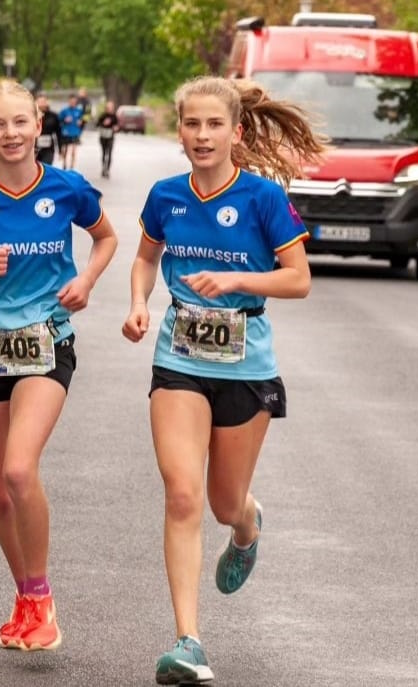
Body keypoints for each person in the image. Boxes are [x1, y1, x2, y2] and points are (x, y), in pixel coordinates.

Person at [120, 75, 325, 685]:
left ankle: (247, 524)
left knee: (222, 501)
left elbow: (299, 279)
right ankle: (189, 640)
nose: (202, 135)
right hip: (179, 358)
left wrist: (237, 281)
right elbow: (146, 257)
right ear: (179, 131)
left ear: (236, 132)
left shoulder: (262, 199)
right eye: (192, 125)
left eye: (214, 125)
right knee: (182, 494)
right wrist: (138, 302)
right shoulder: (165, 195)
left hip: (246, 365)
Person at [0, 79, 119, 651]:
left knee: (20, 470)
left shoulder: (66, 189)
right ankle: (24, 595)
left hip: (47, 342)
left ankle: (41, 599)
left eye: (20, 122)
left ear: (39, 126)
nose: (11, 134)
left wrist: (85, 282)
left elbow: (106, 238)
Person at [57, 93, 84, 170]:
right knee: (65, 151)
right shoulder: (64, 111)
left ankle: (72, 167)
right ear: (69, 101)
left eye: (74, 101)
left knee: (73, 151)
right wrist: (65, 120)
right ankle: (64, 164)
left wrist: (80, 122)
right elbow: (59, 121)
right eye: (71, 101)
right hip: (66, 133)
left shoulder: (79, 111)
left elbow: (82, 120)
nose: (72, 103)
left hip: (75, 132)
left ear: (76, 102)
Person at [95, 100, 119, 178]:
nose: (109, 109)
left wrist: (116, 128)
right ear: (106, 108)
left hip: (110, 137)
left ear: (113, 108)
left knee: (109, 154)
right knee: (104, 153)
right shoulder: (103, 115)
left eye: (111, 107)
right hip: (103, 137)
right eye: (108, 107)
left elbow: (118, 126)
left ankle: (107, 170)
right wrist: (103, 123)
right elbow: (97, 124)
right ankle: (103, 168)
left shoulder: (114, 116)